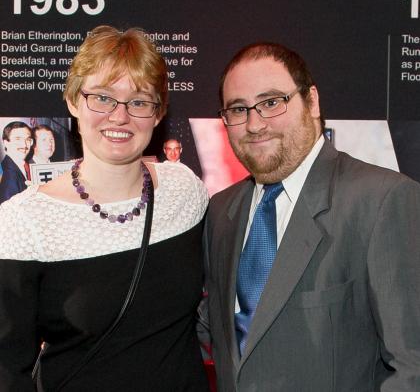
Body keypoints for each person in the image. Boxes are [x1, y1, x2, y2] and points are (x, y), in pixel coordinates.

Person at [0, 25, 209, 391]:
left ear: (158, 114)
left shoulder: (185, 190)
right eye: (102, 98)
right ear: (72, 100)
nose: (119, 116)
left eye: (139, 101)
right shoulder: (24, 222)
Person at [202, 42, 420, 391]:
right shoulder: (222, 211)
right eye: (239, 109)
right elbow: (216, 331)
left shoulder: (381, 201)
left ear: (312, 102)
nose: (255, 124)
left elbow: (413, 368)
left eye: (271, 102)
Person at [0, 121, 32, 204]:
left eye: (28, 139)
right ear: (6, 143)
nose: (24, 145)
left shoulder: (20, 166)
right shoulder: (8, 174)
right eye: (18, 139)